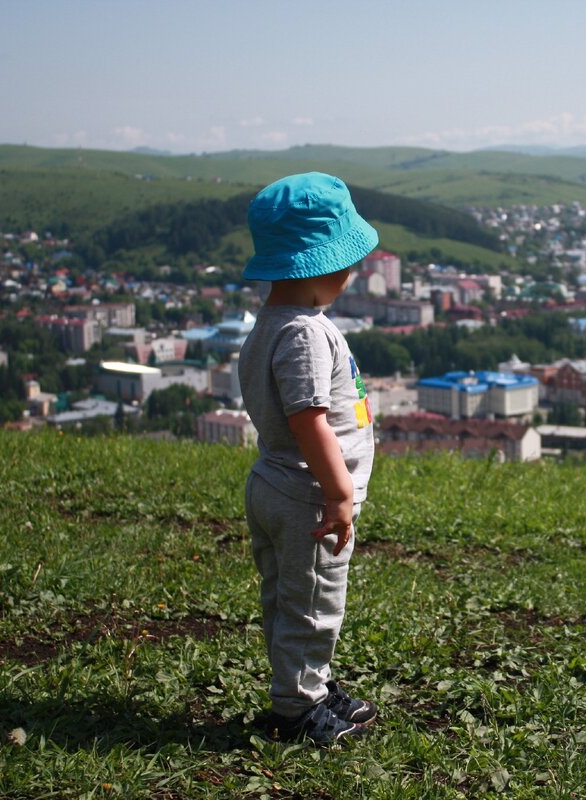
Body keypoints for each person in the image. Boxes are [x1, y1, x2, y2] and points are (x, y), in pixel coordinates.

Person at [237, 172, 379, 744]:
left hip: (273, 484)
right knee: (313, 604)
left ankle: (307, 685)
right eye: (348, 262)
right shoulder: (303, 334)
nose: (352, 273)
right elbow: (307, 417)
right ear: (321, 266)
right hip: (308, 496)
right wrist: (339, 492)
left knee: (287, 595)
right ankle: (297, 712)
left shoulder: (267, 326)